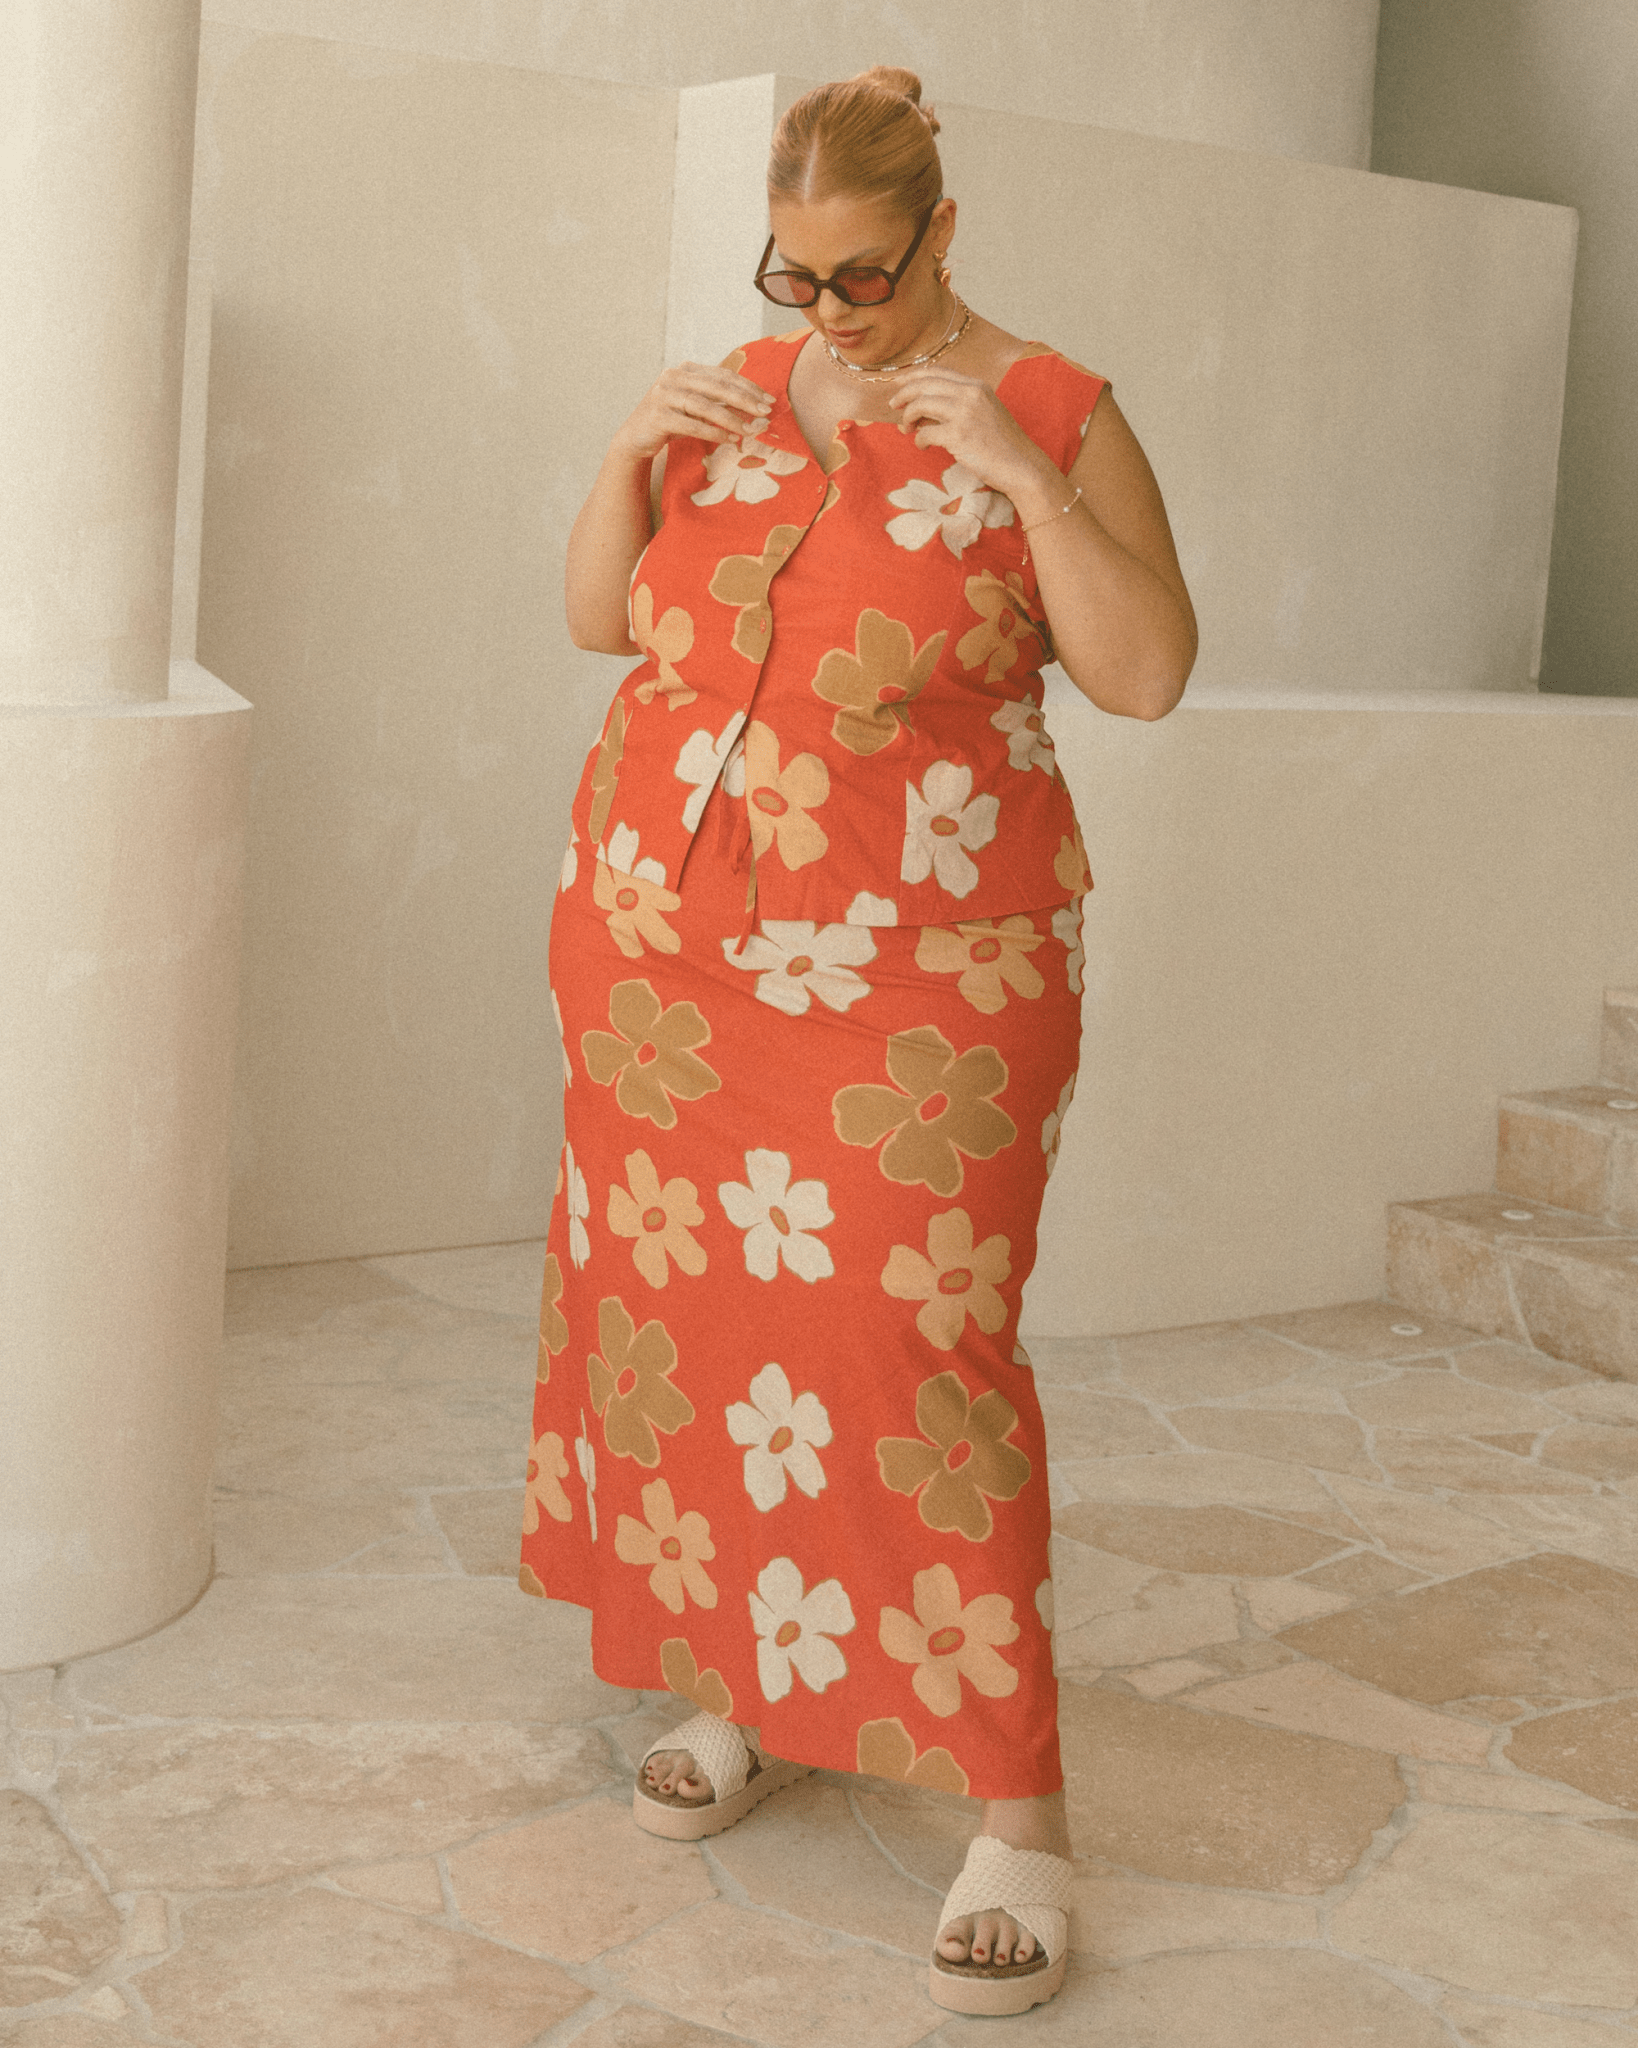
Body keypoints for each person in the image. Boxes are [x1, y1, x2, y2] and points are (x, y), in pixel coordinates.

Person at [520, 65, 1195, 2018]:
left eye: (864, 277)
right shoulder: (739, 396)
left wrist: (1023, 474)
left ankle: (1018, 1811)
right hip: (667, 960)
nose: (829, 313)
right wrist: (623, 450)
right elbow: (602, 623)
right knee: (707, 1323)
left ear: (942, 235)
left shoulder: (1053, 407)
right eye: (794, 273)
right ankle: (752, 1687)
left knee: (910, 1355)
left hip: (927, 981)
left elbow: (1149, 670)